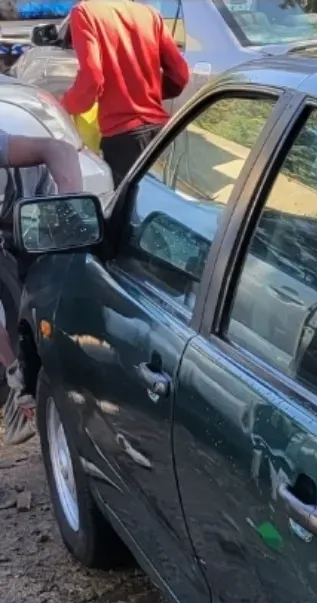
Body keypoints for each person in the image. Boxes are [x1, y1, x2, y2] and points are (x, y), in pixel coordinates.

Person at [0, 129, 83, 445]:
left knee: (59, 292)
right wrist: (15, 371)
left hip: (35, 215)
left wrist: (71, 218)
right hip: (9, 229)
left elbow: (60, 150)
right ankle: (20, 385)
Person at [60, 0, 189, 185]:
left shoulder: (85, 12)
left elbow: (92, 79)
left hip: (122, 136)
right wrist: (146, 92)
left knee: (125, 201)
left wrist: (65, 105)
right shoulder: (150, 14)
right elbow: (180, 75)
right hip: (161, 131)